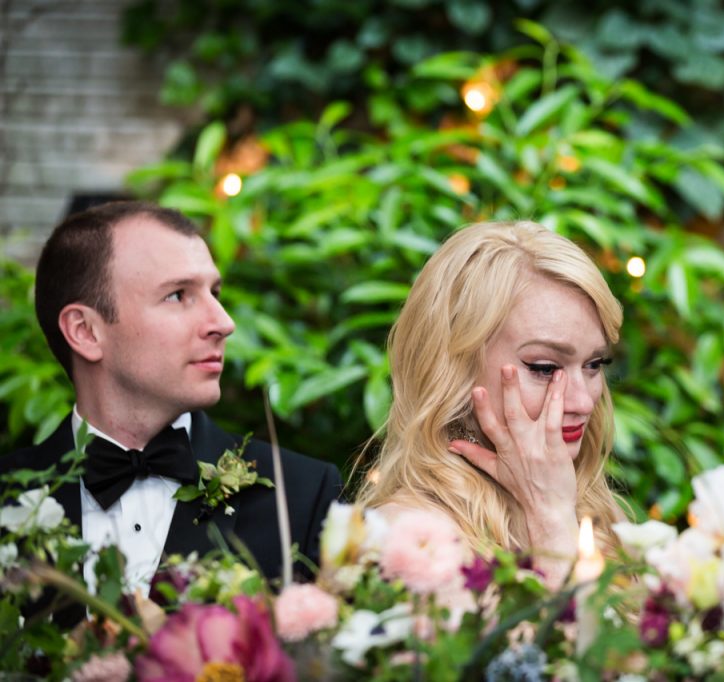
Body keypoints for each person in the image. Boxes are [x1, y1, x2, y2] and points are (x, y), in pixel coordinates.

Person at [1, 201, 342, 594]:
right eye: (178, 295)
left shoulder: (303, 495)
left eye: (214, 292)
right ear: (85, 332)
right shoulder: (8, 498)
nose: (223, 323)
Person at [356, 220, 625, 585]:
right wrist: (550, 517)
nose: (582, 401)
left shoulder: (604, 518)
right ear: (452, 368)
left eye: (595, 364)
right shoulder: (407, 539)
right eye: (545, 368)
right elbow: (568, 642)